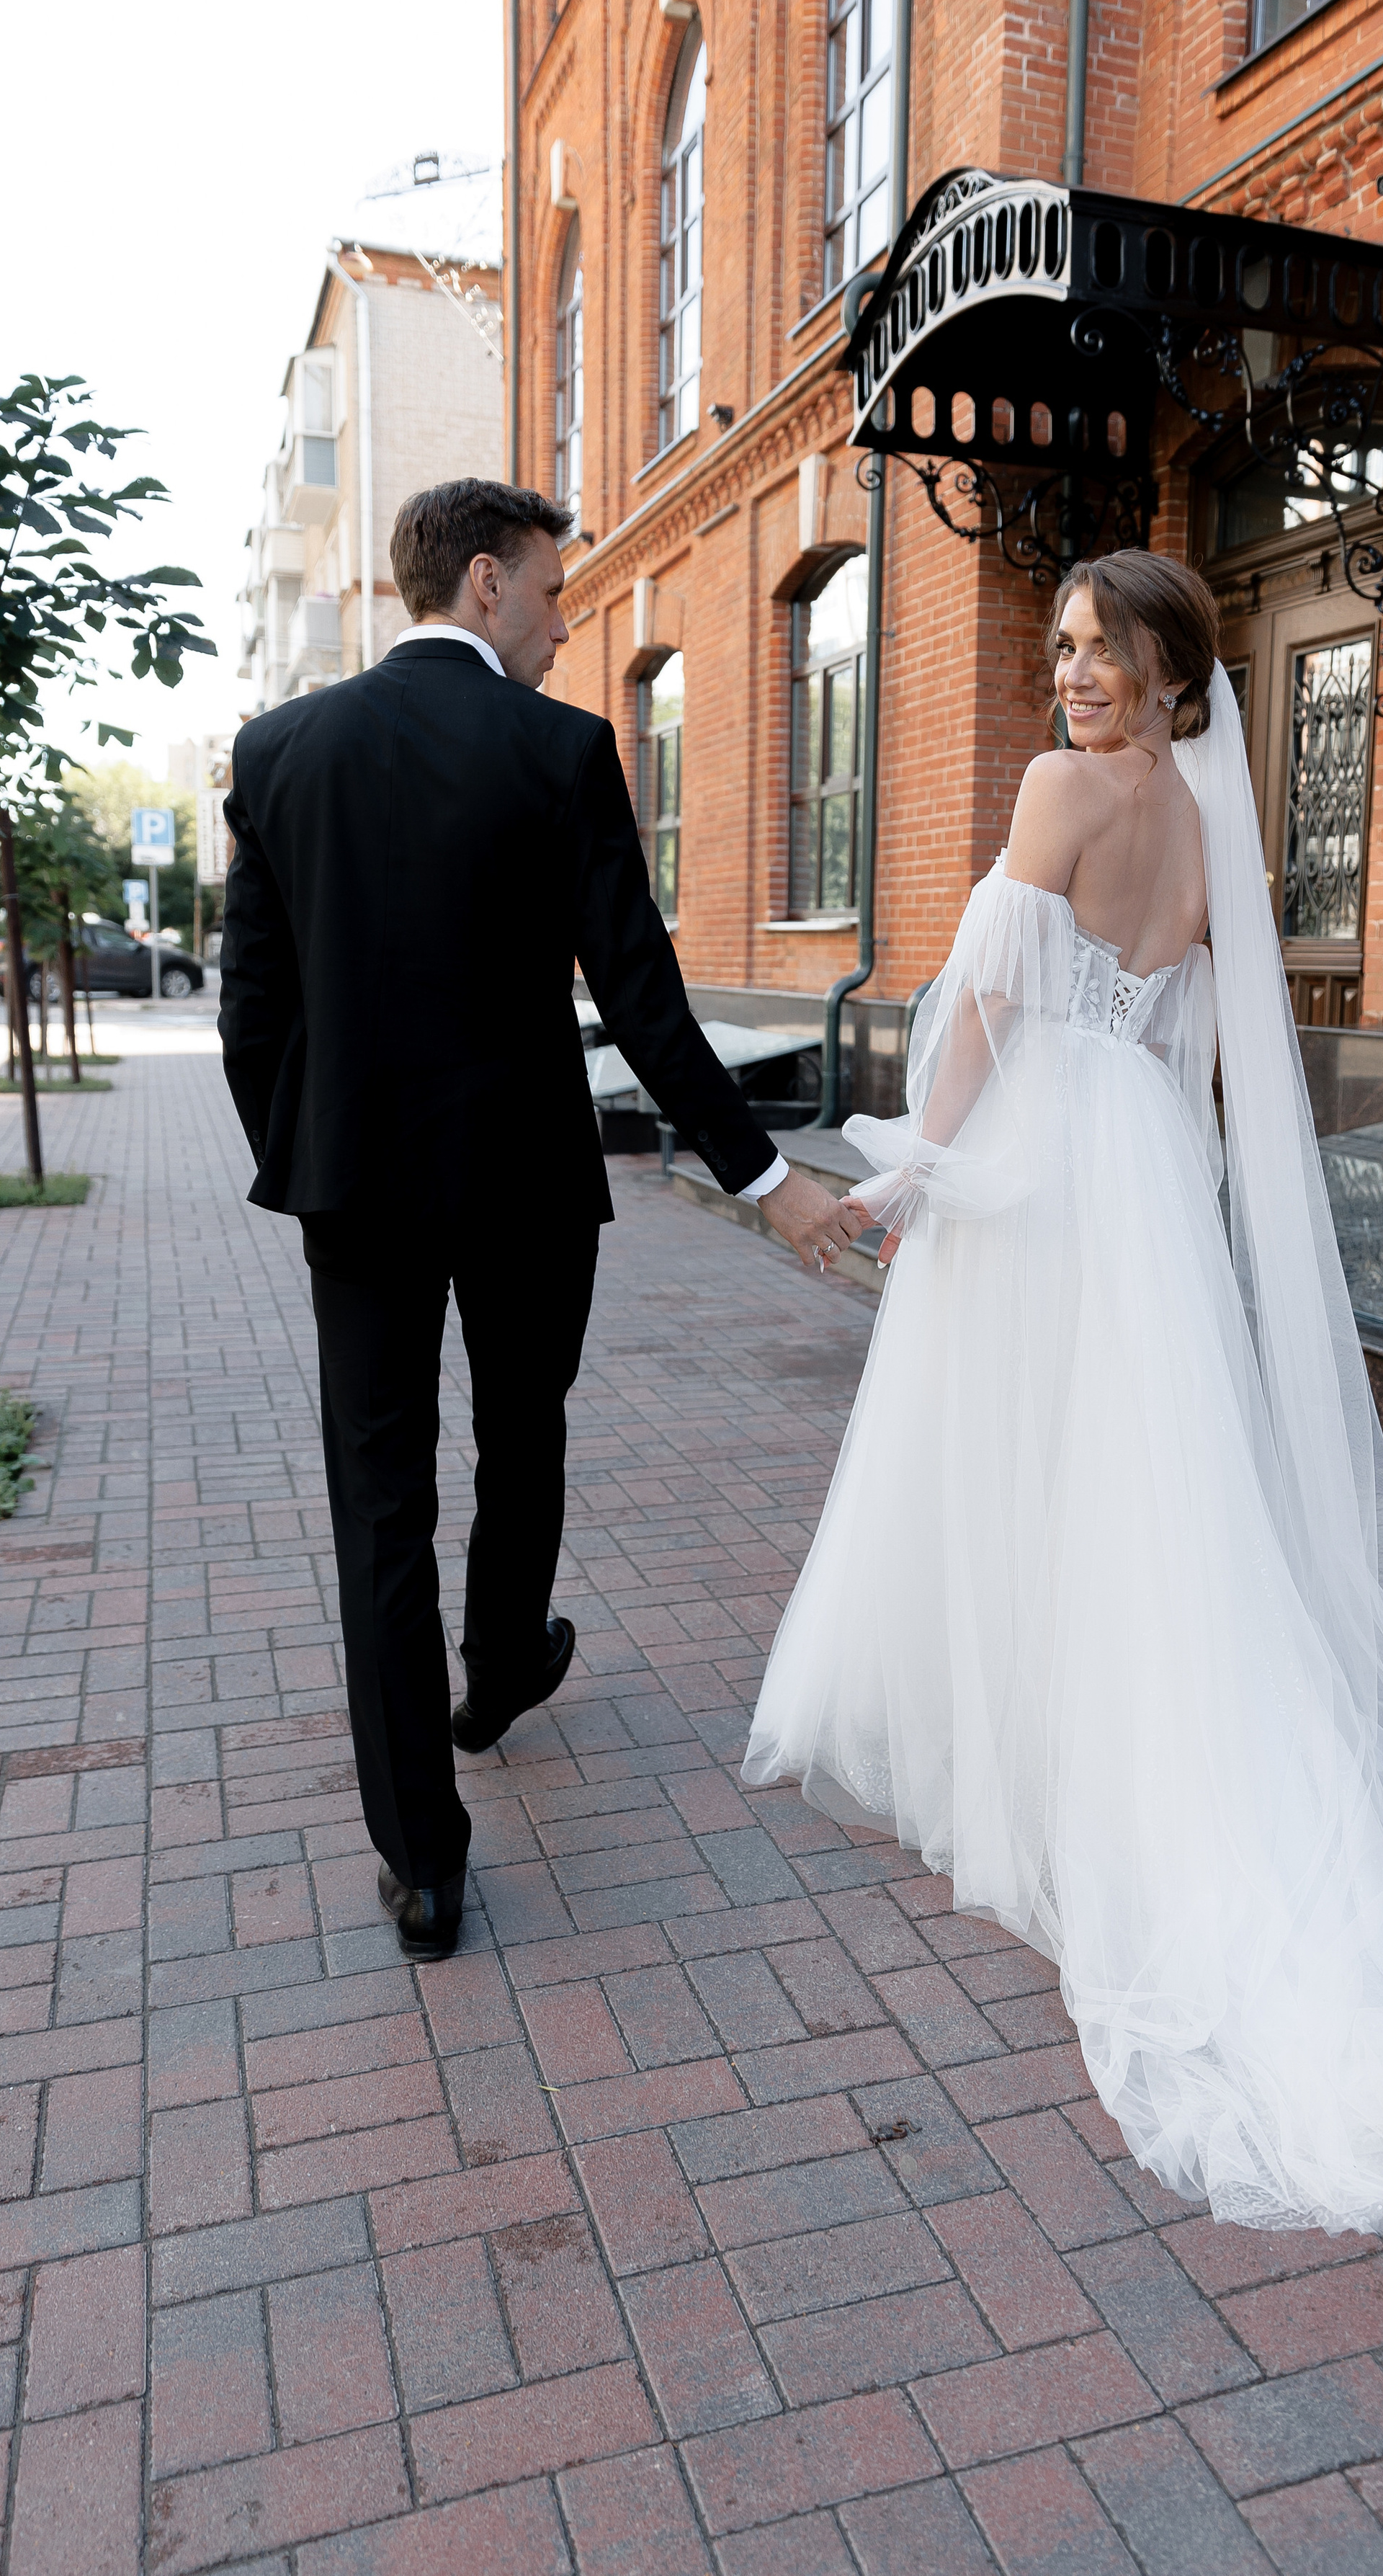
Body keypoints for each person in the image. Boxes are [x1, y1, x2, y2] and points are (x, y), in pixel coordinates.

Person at [745, 548, 1383, 2236]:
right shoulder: (1212, 821)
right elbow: (1197, 1040)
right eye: (1064, 648)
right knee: (1147, 1492)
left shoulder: (1053, 793)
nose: (1074, 673)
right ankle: (1138, 1749)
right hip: (1151, 1180)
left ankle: (1042, 1765)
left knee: (1020, 1467)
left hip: (1046, 1171)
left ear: (1176, 668)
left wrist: (909, 1178)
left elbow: (993, 1011)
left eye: (1105, 650)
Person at [220, 478, 861, 1961]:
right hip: (522, 1180)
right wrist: (762, 1182)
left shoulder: (280, 752)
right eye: (559, 596)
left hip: (356, 1187)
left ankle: (424, 1863)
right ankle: (500, 1667)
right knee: (523, 1432)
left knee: (377, 1502)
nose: (569, 627)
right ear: (489, 582)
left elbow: (260, 1002)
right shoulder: (560, 750)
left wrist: (306, 1150)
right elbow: (640, 993)